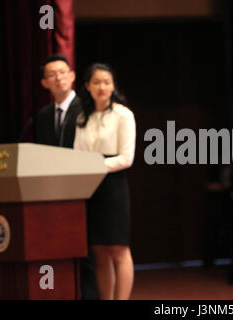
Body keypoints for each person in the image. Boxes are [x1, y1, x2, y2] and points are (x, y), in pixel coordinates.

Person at [36, 53, 99, 300]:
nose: (58, 78)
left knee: (87, 253)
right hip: (54, 195)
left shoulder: (87, 110)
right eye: (51, 75)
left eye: (62, 72)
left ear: (72, 76)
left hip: (84, 192)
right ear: (44, 83)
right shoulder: (41, 116)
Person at [74, 63, 136, 300]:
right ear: (87, 86)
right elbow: (76, 154)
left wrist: (95, 166)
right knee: (99, 251)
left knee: (119, 249)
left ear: (113, 86)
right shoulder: (82, 116)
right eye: (97, 82)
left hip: (114, 186)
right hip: (90, 187)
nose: (102, 87)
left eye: (107, 82)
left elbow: (127, 157)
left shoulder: (123, 115)